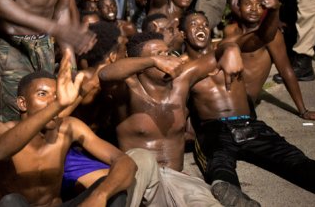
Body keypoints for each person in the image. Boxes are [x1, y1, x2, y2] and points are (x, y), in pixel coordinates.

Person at [183, 10, 315, 205]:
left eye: (205, 24)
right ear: (183, 33)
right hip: (213, 128)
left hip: (249, 124)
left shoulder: (227, 48)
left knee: (293, 158)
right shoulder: (182, 67)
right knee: (219, 164)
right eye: (194, 24)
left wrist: (273, 10)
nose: (201, 28)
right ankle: (237, 199)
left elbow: (262, 36)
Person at [98, 29, 241, 206]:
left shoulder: (182, 81)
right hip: (139, 181)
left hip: (178, 180)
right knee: (140, 157)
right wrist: (152, 61)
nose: (166, 58)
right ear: (140, 64)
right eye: (159, 55)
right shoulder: (127, 89)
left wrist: (231, 48)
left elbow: (218, 53)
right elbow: (104, 74)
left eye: (167, 53)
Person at [0, 49, 141, 206]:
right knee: (11, 201)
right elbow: (0, 152)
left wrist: (100, 195)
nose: (52, 101)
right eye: (42, 94)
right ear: (22, 103)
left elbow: (125, 161)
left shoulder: (68, 126)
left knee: (113, 189)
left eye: (56, 95)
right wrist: (59, 104)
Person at [224, 0, 315, 120]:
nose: (254, 9)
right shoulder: (230, 30)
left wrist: (303, 110)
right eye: (248, 4)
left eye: (259, 5)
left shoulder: (273, 36)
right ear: (238, 7)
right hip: (223, 94)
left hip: (242, 102)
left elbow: (286, 70)